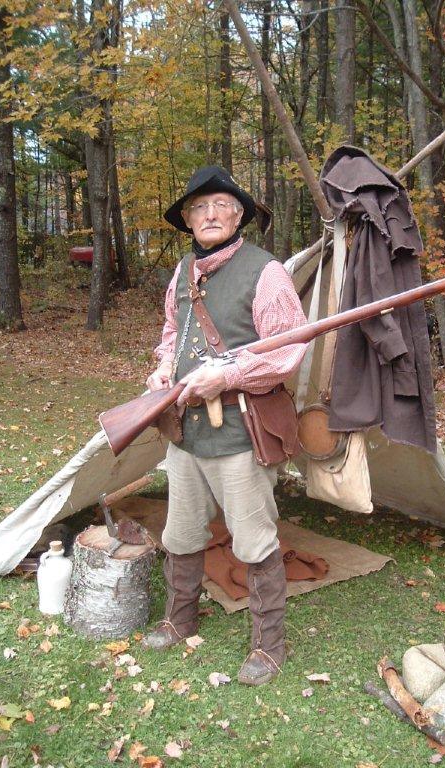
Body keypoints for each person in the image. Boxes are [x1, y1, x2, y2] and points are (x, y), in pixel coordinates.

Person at [142, 165, 307, 687]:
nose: (210, 214)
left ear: (239, 215)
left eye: (221, 206)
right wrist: (164, 366)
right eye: (199, 207)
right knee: (182, 530)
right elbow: (174, 330)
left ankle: (268, 646)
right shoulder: (181, 272)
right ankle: (180, 617)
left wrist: (228, 375)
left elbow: (290, 351)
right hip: (185, 430)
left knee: (254, 540)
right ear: (188, 220)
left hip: (240, 428)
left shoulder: (267, 271)